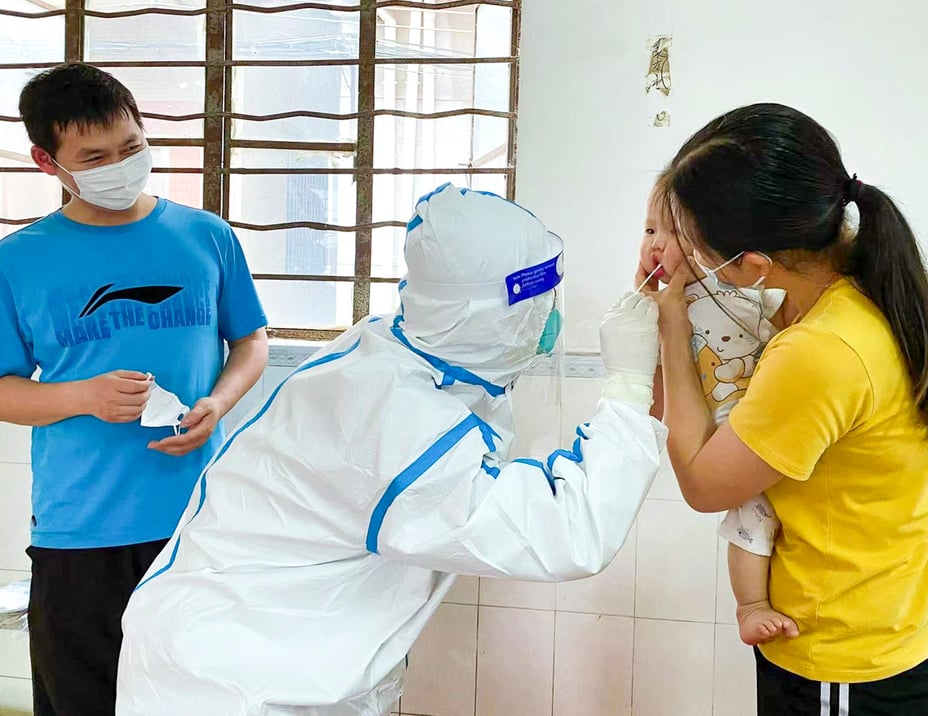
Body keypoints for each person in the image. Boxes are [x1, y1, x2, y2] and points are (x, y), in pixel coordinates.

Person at [115, 183, 666, 716]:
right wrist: (628, 385)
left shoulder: (397, 347)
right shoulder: (389, 420)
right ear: (489, 317)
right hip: (231, 681)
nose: (549, 322)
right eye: (536, 305)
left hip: (263, 646)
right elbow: (567, 531)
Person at [648, 103, 928, 715]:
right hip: (894, 626)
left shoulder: (820, 352)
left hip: (841, 660)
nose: (679, 254)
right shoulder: (863, 287)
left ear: (754, 265)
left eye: (693, 242)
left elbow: (705, 484)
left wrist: (670, 320)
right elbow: (684, 409)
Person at [0, 63, 269, 716]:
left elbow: (251, 341)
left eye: (131, 147)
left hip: (199, 527)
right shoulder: (20, 259)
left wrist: (219, 402)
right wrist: (81, 396)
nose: (119, 166)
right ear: (47, 161)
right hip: (80, 534)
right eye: (94, 157)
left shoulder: (205, 235)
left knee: (202, 702)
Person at [637, 185, 798, 647]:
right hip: (715, 436)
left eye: (673, 233)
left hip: (761, 424)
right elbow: (653, 399)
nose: (655, 244)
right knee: (752, 516)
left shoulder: (750, 292)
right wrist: (645, 299)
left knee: (770, 514)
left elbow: (792, 329)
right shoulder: (658, 305)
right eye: (649, 230)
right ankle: (750, 605)